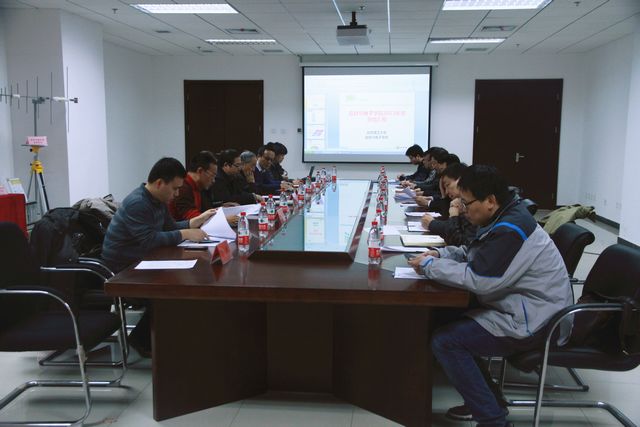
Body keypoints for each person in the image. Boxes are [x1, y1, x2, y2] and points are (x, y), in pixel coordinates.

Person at [408, 165, 572, 427]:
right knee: (443, 319)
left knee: (447, 341)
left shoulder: (511, 229)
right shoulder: (502, 217)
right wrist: (440, 254)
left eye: (466, 203)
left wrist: (430, 266)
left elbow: (481, 279)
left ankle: (493, 419)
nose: (462, 208)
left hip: (537, 320)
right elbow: (476, 254)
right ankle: (489, 402)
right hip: (519, 306)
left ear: (490, 201)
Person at [102, 157, 215, 356]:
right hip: (123, 268)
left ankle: (158, 335)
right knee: (174, 289)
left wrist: (194, 222)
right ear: (160, 183)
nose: (176, 194)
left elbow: (169, 228)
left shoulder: (158, 200)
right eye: (175, 189)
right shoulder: (138, 203)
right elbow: (148, 240)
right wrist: (185, 234)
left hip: (144, 260)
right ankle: (142, 340)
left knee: (184, 282)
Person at [170, 151, 238, 226]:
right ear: (200, 171)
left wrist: (220, 207)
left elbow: (204, 211)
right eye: (213, 175)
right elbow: (191, 218)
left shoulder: (199, 186)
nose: (213, 180)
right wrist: (222, 220)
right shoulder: (182, 187)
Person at [422, 162, 477, 246]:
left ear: (460, 181)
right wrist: (443, 196)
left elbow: (458, 241)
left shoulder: (472, 205)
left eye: (447, 185)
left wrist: (453, 216)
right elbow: (446, 219)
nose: (447, 192)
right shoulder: (460, 202)